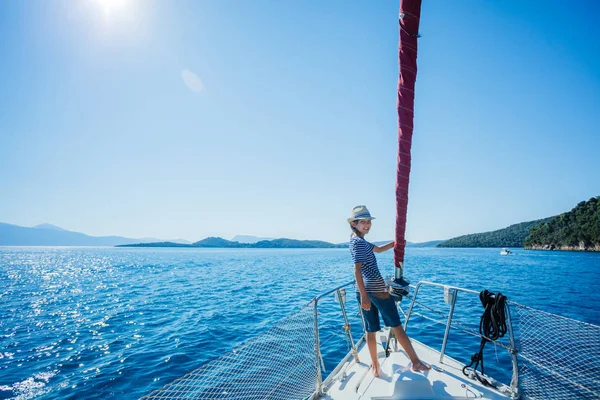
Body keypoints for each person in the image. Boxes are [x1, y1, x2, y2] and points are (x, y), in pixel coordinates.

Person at [348, 205, 430, 377]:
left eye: (369, 222)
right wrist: (364, 297)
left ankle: (375, 367)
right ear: (354, 224)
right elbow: (356, 270)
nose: (367, 225)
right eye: (363, 222)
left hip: (365, 290)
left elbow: (377, 249)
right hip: (376, 291)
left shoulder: (356, 240)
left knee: (370, 330)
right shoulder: (359, 244)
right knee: (397, 326)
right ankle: (415, 362)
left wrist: (396, 244)